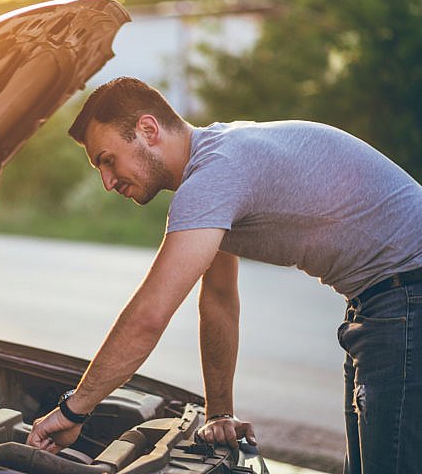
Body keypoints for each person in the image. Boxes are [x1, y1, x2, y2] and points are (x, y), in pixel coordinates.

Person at [24, 77, 422, 473]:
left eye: (108, 160)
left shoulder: (214, 175)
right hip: (387, 301)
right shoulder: (219, 160)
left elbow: (148, 317)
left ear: (148, 129)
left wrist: (73, 411)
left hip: (406, 297)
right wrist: (219, 412)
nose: (108, 182)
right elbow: (217, 299)